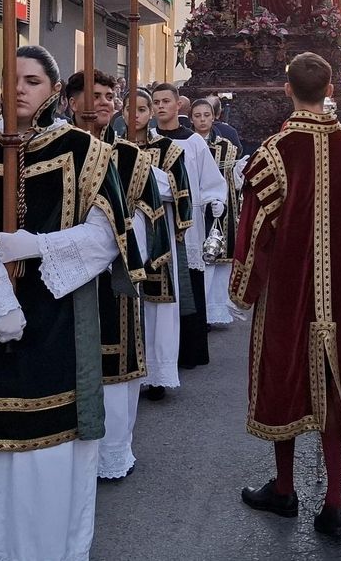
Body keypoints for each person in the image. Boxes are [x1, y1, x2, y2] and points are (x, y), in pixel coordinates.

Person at [0, 45, 131, 561]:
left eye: (32, 80)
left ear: (53, 91)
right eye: (12, 77)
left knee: (52, 447)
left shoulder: (89, 152)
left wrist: (39, 246)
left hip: (60, 318)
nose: (20, 89)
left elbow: (107, 237)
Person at [233, 52, 341, 540]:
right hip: (337, 287)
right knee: (333, 378)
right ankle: (334, 503)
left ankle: (285, 489)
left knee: (284, 377)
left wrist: (245, 289)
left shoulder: (274, 151)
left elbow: (255, 231)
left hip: (287, 286)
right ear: (332, 87)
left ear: (286, 88)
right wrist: (335, 245)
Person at [63, 70, 164, 479]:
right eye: (95, 96)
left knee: (114, 365)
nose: (105, 102)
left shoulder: (130, 158)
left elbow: (152, 220)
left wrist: (114, 242)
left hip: (113, 279)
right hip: (62, 278)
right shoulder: (48, 151)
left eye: (110, 96)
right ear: (71, 101)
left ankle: (111, 453)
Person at [151, 83, 228, 370]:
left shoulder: (193, 142)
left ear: (177, 106)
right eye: (156, 102)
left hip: (186, 224)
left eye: (166, 101)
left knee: (186, 284)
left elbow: (209, 180)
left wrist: (215, 199)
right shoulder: (145, 140)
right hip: (153, 222)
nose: (160, 106)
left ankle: (188, 352)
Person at [124, 88, 190, 400]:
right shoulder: (109, 146)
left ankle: (158, 373)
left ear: (150, 113)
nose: (134, 115)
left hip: (155, 232)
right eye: (129, 109)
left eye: (141, 109)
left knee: (156, 307)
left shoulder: (169, 148)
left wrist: (142, 173)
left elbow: (178, 189)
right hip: (119, 231)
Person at [192, 97, 240, 327]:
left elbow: (230, 181)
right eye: (198, 116)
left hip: (221, 209)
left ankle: (215, 310)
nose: (202, 120)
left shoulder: (226, 147)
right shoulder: (188, 143)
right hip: (195, 207)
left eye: (206, 115)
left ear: (214, 117)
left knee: (217, 260)